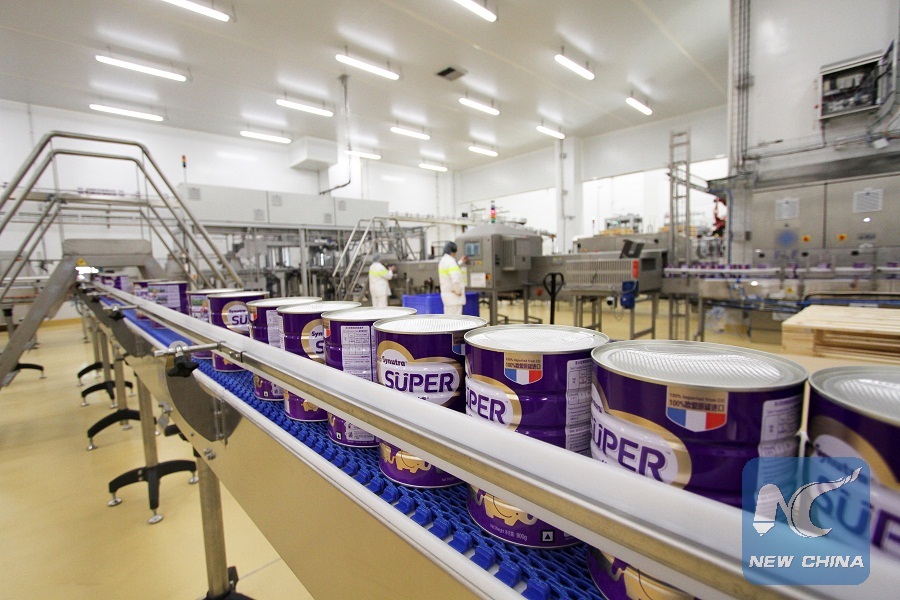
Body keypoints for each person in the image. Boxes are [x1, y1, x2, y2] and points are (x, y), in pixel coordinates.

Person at [438, 241, 466, 315]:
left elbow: (451, 270)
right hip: (454, 298)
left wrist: (460, 261)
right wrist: (458, 292)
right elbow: (456, 280)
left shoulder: (443, 261)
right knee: (455, 320)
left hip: (447, 298)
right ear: (453, 252)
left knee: (448, 319)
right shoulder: (451, 262)